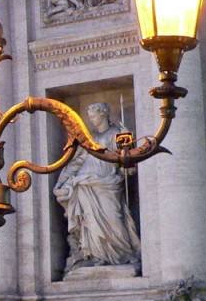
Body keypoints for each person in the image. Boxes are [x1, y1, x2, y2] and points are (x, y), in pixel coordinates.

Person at [53, 102, 141, 273]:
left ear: (104, 114)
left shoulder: (117, 134)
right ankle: (96, 256)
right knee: (90, 223)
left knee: (114, 218)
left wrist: (127, 155)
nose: (91, 120)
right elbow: (75, 163)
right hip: (85, 184)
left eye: (94, 116)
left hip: (108, 184)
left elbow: (127, 166)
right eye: (90, 117)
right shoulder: (88, 139)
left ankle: (122, 254)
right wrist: (60, 183)